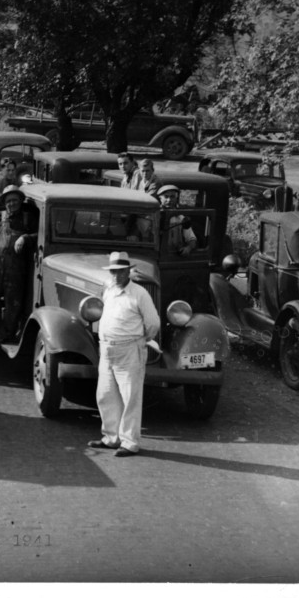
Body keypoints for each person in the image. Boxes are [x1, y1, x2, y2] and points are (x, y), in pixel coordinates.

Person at [88, 251, 160, 457]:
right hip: (107, 350)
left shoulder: (139, 293)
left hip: (130, 349)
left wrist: (140, 341)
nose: (117, 275)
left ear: (129, 271)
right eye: (114, 271)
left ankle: (129, 443)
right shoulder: (109, 290)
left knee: (130, 397)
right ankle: (111, 438)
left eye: (121, 271)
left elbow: (153, 323)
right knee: (105, 395)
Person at [0, 185, 36, 345]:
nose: (12, 204)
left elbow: (40, 235)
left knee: (14, 303)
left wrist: (25, 238)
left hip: (15, 269)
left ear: (20, 201)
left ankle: (6, 334)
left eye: (15, 200)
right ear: (4, 202)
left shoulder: (27, 218)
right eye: (9, 201)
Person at [158, 184, 197, 256]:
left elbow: (192, 239)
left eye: (172, 197)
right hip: (156, 255)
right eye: (166, 197)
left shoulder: (181, 218)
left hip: (174, 255)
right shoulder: (153, 216)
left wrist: (188, 248)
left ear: (176, 198)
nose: (169, 200)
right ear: (160, 198)